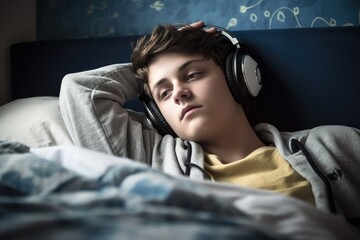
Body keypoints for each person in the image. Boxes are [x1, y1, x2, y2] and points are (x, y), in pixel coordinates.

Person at [59, 21, 360, 228]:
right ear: (158, 114)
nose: (178, 93)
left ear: (238, 77)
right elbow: (81, 92)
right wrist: (144, 70)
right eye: (164, 92)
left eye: (192, 75)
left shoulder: (333, 146)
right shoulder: (153, 160)